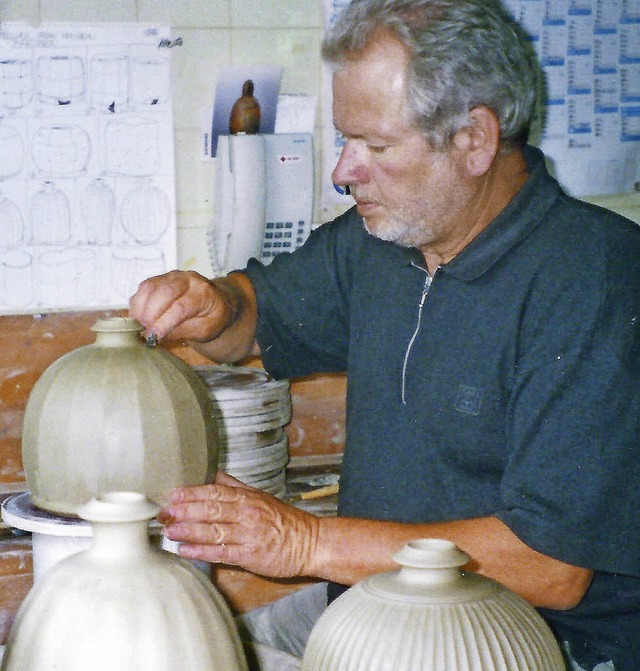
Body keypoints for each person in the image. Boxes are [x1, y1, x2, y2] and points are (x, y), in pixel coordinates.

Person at [129, 0, 640, 669]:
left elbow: (551, 563)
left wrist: (307, 543)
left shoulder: (593, 279)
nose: (344, 171)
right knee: (174, 645)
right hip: (369, 597)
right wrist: (217, 305)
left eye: (373, 145)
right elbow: (258, 319)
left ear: (475, 140)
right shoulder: (385, 237)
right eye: (346, 140)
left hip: (523, 637)